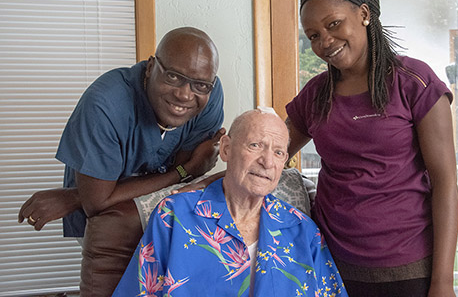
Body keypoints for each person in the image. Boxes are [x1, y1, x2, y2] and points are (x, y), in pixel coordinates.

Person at [285, 0, 458, 297]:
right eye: (313, 35)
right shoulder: (315, 94)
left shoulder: (414, 82)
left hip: (409, 268)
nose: (325, 42)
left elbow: (446, 183)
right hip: (332, 264)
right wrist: (205, 180)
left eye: (333, 24)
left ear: (364, 14)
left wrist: (443, 282)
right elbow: (268, 152)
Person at [112, 108, 348, 297]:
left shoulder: (303, 231)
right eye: (255, 145)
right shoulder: (174, 216)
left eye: (278, 153)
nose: (267, 161)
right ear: (226, 149)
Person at [18, 27, 225, 238]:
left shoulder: (209, 95)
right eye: (172, 76)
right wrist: (185, 170)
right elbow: (98, 203)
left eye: (199, 84)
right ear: (150, 67)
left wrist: (76, 197)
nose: (184, 94)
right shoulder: (104, 105)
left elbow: (180, 182)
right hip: (106, 221)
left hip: (164, 212)